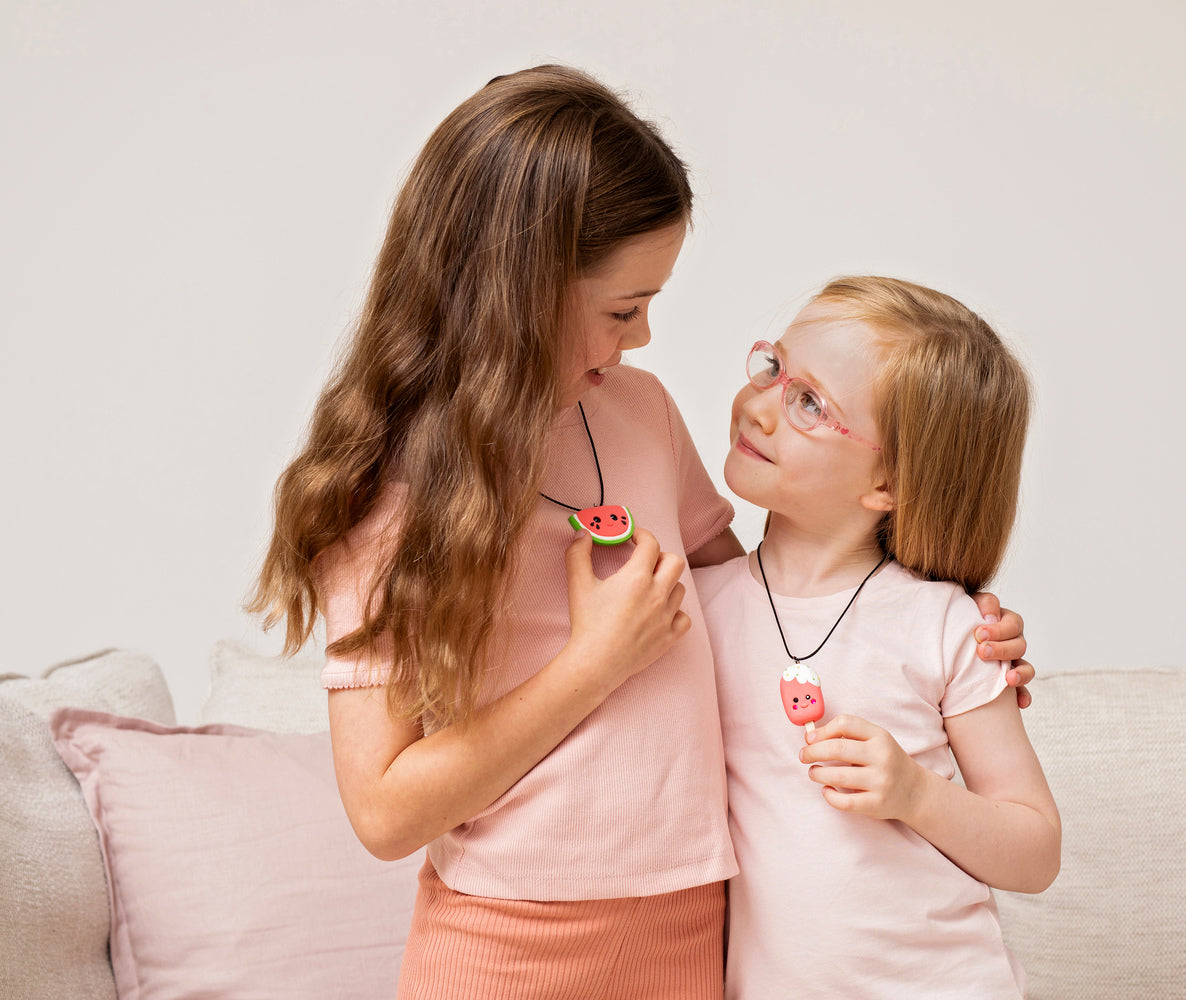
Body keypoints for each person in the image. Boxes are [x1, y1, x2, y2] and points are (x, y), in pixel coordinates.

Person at [248, 67, 1032, 1000]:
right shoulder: (381, 495)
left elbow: (762, 610)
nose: (647, 336)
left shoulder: (640, 413)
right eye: (623, 310)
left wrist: (942, 644)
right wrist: (593, 664)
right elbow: (383, 813)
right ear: (518, 291)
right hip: (506, 942)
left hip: (695, 926)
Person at [696, 275, 1059, 999]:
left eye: (809, 404)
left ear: (889, 483)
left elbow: (1035, 852)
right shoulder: (695, 609)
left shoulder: (947, 627)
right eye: (775, 369)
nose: (760, 407)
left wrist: (916, 795)